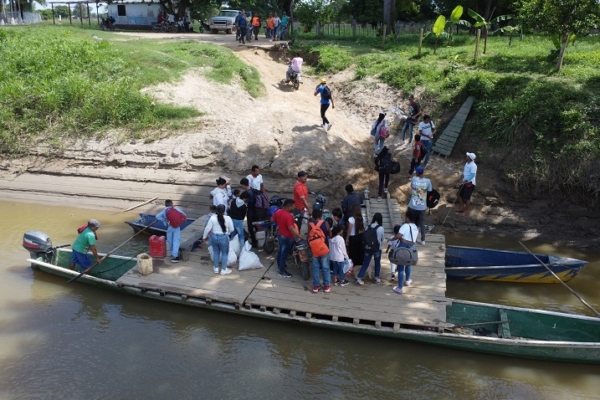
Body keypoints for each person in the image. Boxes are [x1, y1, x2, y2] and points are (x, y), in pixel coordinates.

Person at [271, 198, 303, 278]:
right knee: (284, 255)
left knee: (280, 252)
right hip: (287, 238)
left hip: (280, 235)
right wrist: (299, 236)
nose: (294, 208)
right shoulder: (288, 216)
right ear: (289, 206)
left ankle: (280, 266)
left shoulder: (278, 211)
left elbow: (271, 219)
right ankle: (282, 271)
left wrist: (279, 224)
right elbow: (291, 228)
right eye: (293, 206)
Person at [392, 210, 419, 294]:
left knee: (400, 268)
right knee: (408, 264)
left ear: (407, 217)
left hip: (403, 247)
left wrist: (392, 239)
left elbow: (398, 236)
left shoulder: (405, 226)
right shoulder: (416, 227)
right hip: (411, 248)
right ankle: (407, 280)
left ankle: (399, 287)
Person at [202, 204, 234, 275]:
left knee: (216, 253)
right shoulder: (228, 218)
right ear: (224, 211)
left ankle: (216, 268)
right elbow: (232, 229)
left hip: (214, 237)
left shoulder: (213, 218)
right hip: (223, 237)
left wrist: (204, 237)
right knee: (225, 254)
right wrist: (227, 232)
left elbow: (207, 228)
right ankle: (223, 269)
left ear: (216, 210)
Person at [355, 213, 385, 285]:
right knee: (377, 263)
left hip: (367, 248)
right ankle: (377, 277)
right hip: (377, 248)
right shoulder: (381, 228)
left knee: (365, 263)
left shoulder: (368, 227)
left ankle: (359, 277)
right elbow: (382, 238)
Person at [307, 209, 331, 293]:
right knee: (325, 267)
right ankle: (327, 286)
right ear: (321, 216)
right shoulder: (326, 223)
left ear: (313, 216)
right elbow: (330, 235)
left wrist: (309, 246)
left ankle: (316, 286)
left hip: (314, 249)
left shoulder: (310, 224)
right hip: (324, 248)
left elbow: (308, 236)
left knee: (315, 267)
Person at [408, 166, 432, 245]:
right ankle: (423, 240)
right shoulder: (428, 181)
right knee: (421, 223)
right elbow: (429, 191)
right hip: (422, 206)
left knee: (410, 222)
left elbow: (412, 187)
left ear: (417, 173)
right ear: (423, 172)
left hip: (412, 205)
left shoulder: (414, 179)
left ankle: (409, 238)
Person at [241, 177, 268, 247]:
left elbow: (248, 202)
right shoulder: (254, 190)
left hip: (251, 212)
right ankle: (261, 240)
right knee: (257, 226)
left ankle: (254, 242)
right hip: (258, 211)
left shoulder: (248, 193)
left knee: (250, 228)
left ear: (243, 185)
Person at [345, 204, 364, 268]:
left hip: (352, 237)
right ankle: (359, 265)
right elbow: (363, 229)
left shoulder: (351, 219)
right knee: (359, 251)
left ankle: (352, 266)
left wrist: (347, 238)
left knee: (352, 253)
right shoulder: (362, 218)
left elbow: (349, 230)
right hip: (360, 236)